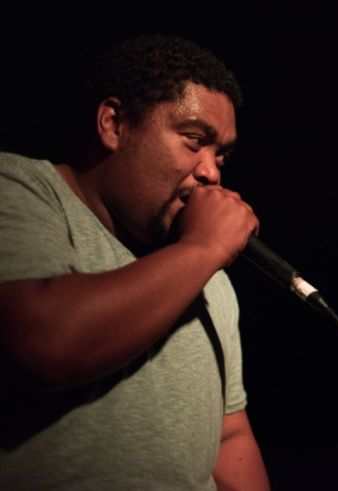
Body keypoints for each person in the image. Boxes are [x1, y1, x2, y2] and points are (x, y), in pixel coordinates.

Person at [0, 35, 270, 490]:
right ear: (114, 123)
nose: (212, 171)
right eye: (194, 140)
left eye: (221, 153)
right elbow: (40, 342)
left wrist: (202, 256)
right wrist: (202, 250)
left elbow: (228, 434)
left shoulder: (208, 276)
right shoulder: (21, 188)